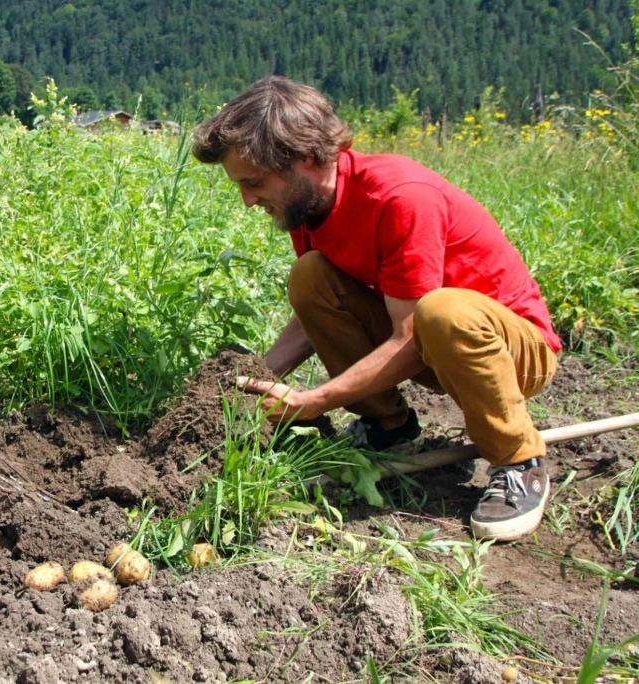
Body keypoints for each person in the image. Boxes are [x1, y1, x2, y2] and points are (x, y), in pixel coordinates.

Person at [191, 76, 562, 542]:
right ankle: (390, 428)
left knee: (442, 310)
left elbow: (410, 338)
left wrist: (315, 401)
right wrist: (252, 379)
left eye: (254, 183)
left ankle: (518, 461)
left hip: (509, 354)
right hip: (431, 345)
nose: (247, 200)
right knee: (310, 275)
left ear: (305, 158)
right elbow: (321, 313)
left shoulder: (399, 196)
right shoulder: (310, 205)